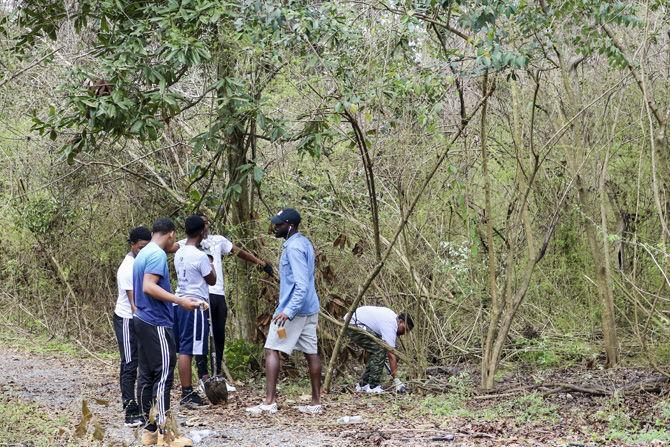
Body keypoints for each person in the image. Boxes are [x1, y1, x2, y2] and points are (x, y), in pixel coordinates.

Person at [173, 213, 272, 384]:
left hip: (217, 294)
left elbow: (239, 251)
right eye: (203, 223)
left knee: (218, 334)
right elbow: (166, 247)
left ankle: (217, 373)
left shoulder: (218, 240)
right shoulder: (184, 244)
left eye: (207, 222)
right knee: (201, 335)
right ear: (199, 228)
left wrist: (261, 263)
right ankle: (203, 374)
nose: (206, 225)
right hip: (198, 295)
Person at [133, 218, 204, 447]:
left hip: (141, 320)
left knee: (146, 376)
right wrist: (179, 301)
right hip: (156, 323)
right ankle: (166, 433)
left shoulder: (142, 253)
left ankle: (149, 431)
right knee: (163, 375)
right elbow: (149, 286)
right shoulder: (156, 255)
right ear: (171, 233)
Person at [246, 208, 322, 415]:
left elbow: (301, 284)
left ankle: (269, 402)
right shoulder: (304, 242)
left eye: (279, 224)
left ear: (290, 226)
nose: (275, 227)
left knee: (272, 348)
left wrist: (288, 311)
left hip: (294, 311)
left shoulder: (294, 248)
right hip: (310, 308)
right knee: (311, 352)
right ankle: (316, 403)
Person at [174, 215, 216, 407]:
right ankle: (187, 392)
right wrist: (212, 264)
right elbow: (212, 280)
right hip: (195, 306)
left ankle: (187, 391)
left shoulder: (179, 253)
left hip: (180, 302)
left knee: (184, 347)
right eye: (205, 227)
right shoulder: (200, 256)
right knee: (187, 350)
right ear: (201, 231)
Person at [113, 226, 151, 427]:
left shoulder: (143, 261)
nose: (143, 250)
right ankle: (129, 408)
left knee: (144, 364)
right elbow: (134, 303)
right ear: (132, 244)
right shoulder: (127, 268)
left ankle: (144, 406)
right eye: (141, 247)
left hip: (140, 319)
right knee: (129, 363)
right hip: (127, 319)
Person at [346, 306, 414, 394]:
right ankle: (373, 387)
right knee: (380, 350)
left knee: (376, 350)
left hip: (354, 323)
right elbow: (391, 354)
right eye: (405, 329)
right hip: (352, 324)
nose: (404, 333)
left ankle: (363, 384)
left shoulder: (391, 318)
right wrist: (396, 380)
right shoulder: (390, 325)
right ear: (400, 322)